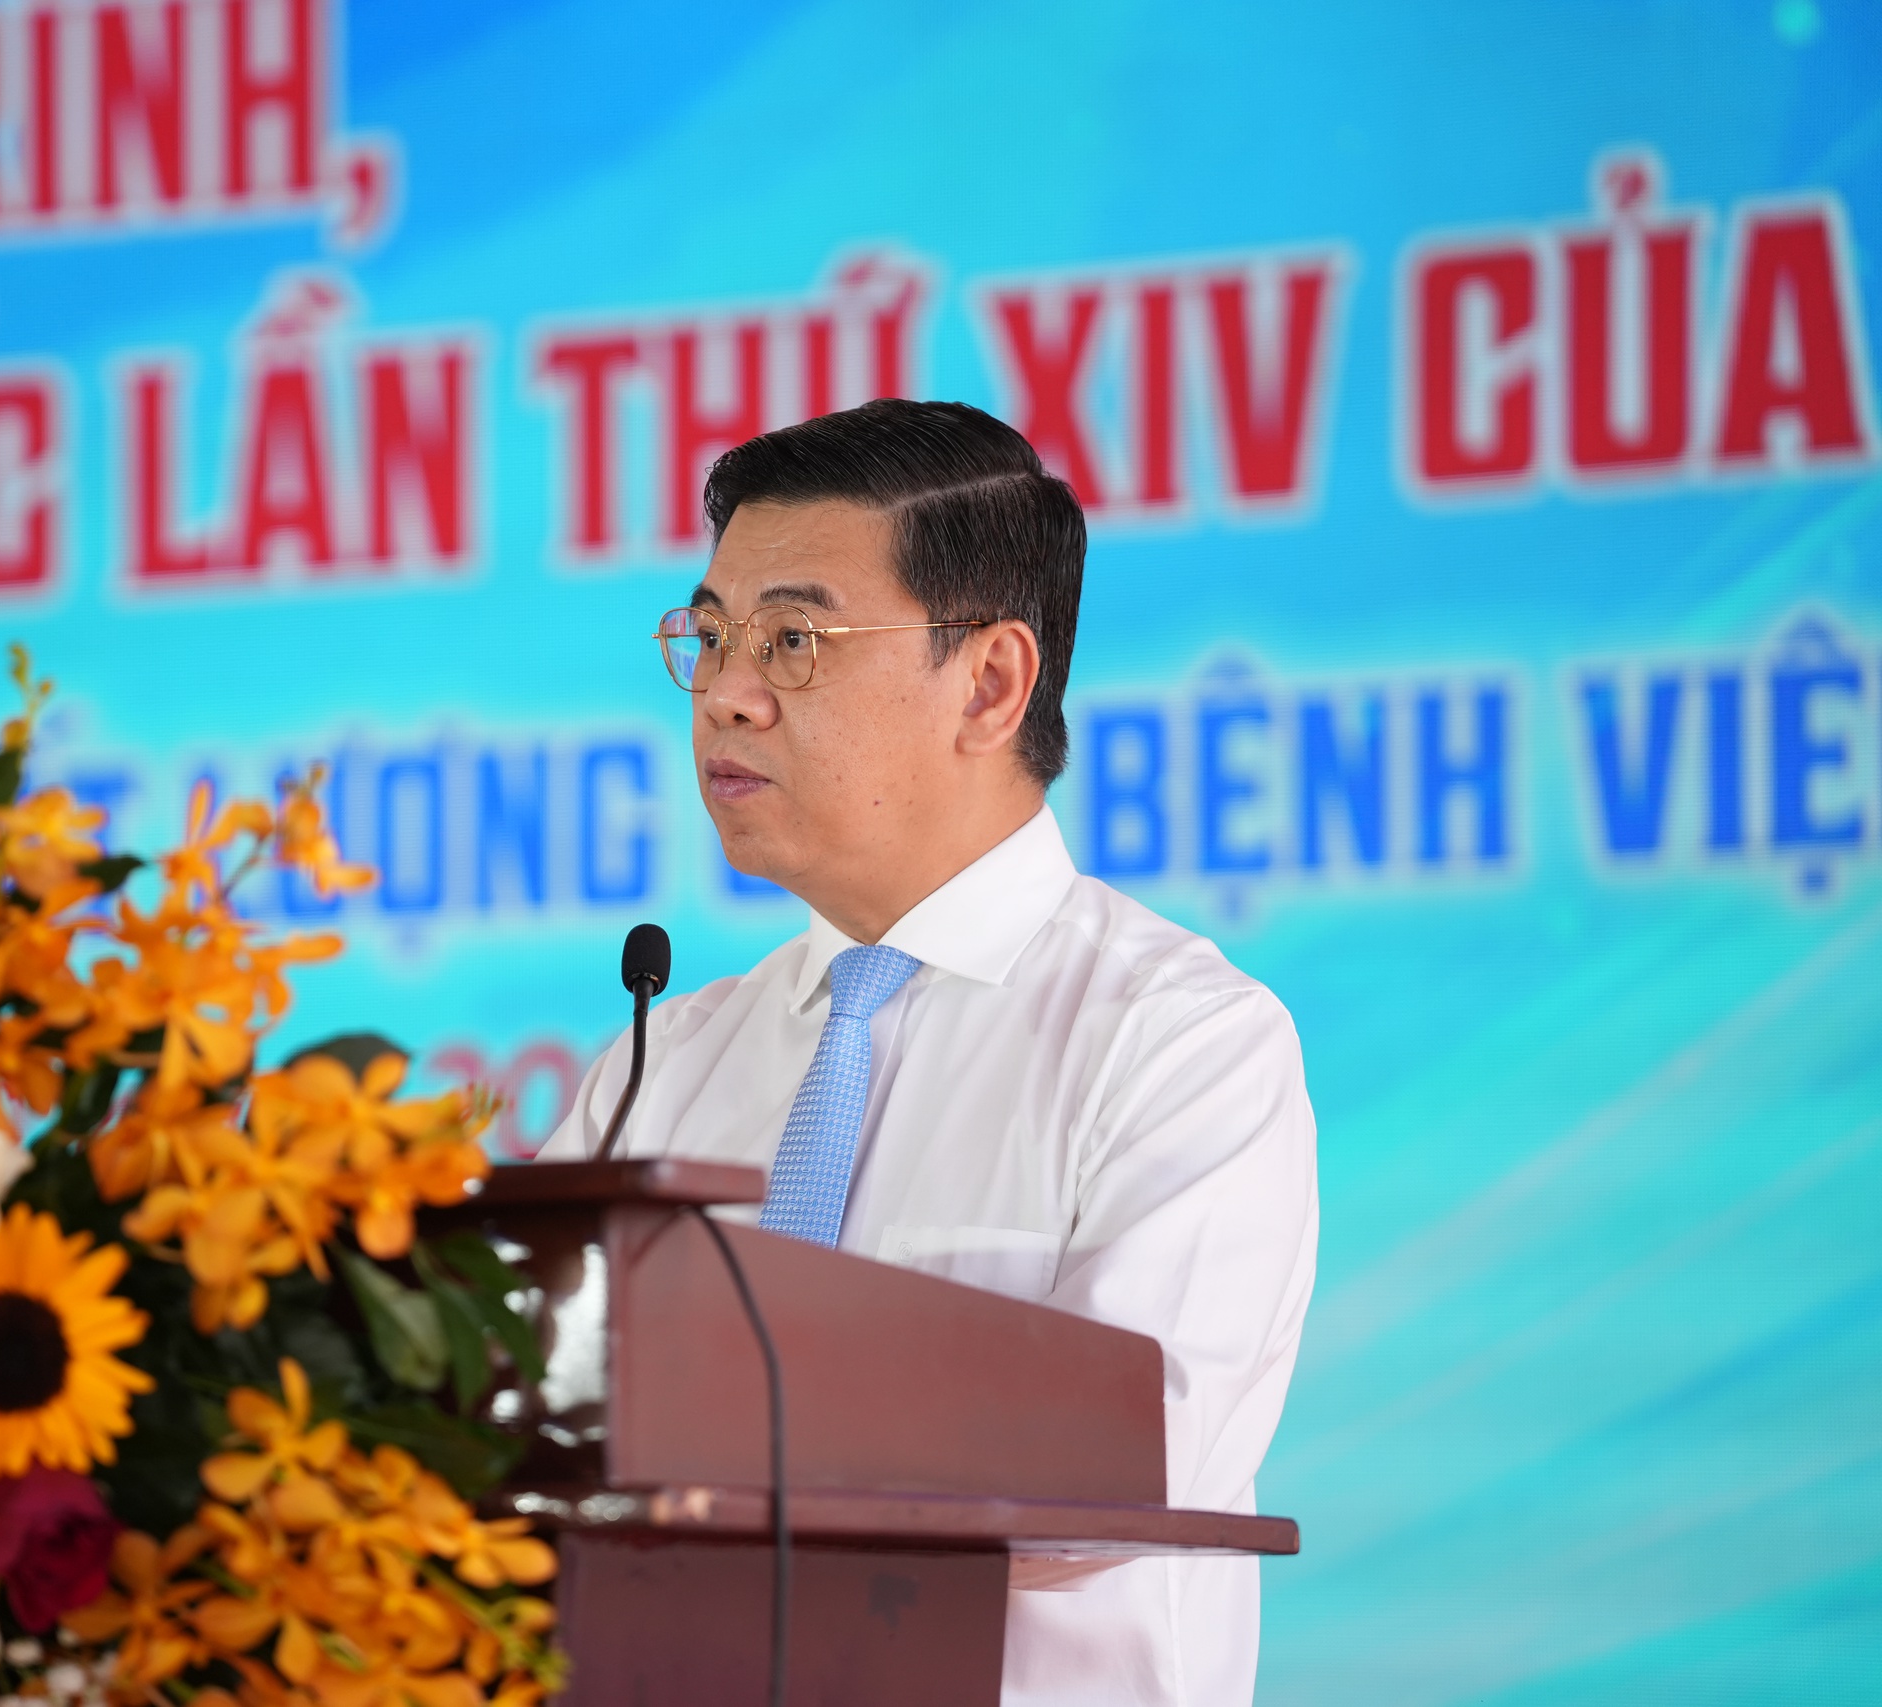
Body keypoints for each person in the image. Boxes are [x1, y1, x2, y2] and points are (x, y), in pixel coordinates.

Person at [539, 398, 1319, 1706]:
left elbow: (1125, 1480)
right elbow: (520, 1430)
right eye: (712, 638)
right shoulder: (661, 1062)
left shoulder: (1179, 1044)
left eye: (794, 641)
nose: (726, 696)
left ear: (991, 684)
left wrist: (719, 1430)